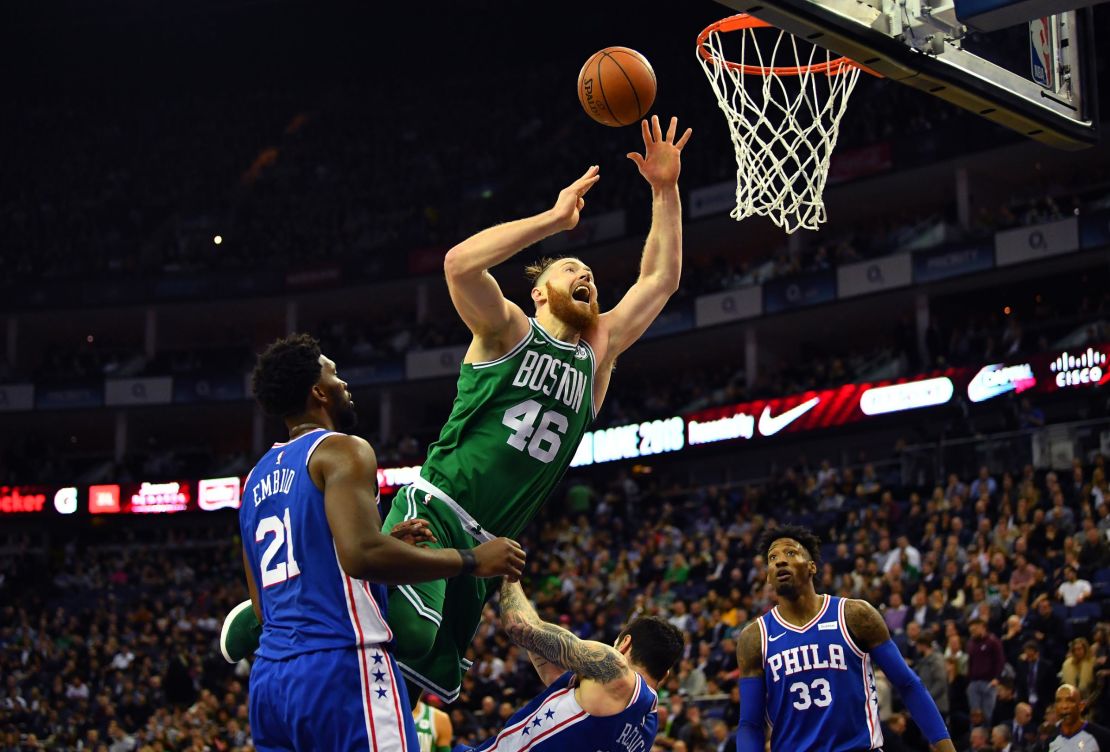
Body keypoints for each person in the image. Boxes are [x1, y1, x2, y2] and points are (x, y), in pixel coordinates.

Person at [380, 115, 693, 704]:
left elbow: (661, 277)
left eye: (591, 275)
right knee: (411, 637)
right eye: (570, 268)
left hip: (489, 552)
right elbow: (458, 265)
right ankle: (297, 598)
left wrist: (665, 189)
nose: (587, 275)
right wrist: (553, 221)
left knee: (420, 685)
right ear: (538, 291)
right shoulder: (507, 330)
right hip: (439, 508)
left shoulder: (596, 354)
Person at [232, 335, 525, 751]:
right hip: (342, 665)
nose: (344, 384)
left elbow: (264, 601)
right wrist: (469, 559)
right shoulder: (341, 451)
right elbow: (363, 556)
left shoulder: (255, 480)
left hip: (271, 683)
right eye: (334, 374)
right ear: (317, 391)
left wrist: (385, 543)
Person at [736, 525, 955, 752]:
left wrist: (945, 747)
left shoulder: (854, 615)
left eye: (791, 553)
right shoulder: (754, 638)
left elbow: (908, 684)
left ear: (812, 567)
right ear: (769, 576)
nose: (780, 561)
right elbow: (750, 724)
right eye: (773, 557)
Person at [452, 577, 685, 751]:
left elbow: (519, 627)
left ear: (624, 644)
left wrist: (507, 575)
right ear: (664, 675)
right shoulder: (648, 728)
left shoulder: (615, 669)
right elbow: (554, 678)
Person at [1049, 683, 1110, 751]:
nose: (1064, 706)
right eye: (1059, 701)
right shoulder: (1050, 737)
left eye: (1070, 701)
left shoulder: (1102, 737)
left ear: (1081, 706)